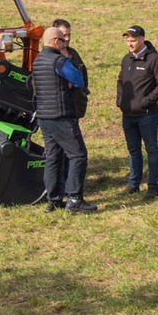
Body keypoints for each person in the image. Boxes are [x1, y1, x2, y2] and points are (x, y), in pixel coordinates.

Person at [31, 25, 95, 212]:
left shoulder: (38, 60)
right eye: (62, 39)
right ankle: (75, 199)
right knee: (78, 155)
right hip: (61, 116)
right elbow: (78, 79)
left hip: (44, 116)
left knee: (53, 157)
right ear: (55, 41)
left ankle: (53, 199)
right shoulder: (59, 61)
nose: (65, 42)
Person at [114, 24, 158, 199]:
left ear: (142, 39)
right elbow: (120, 81)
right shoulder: (126, 59)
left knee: (151, 150)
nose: (130, 44)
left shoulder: (155, 60)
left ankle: (153, 187)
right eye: (128, 41)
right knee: (133, 151)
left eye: (133, 40)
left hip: (147, 115)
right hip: (128, 115)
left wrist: (146, 102)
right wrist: (120, 101)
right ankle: (134, 184)